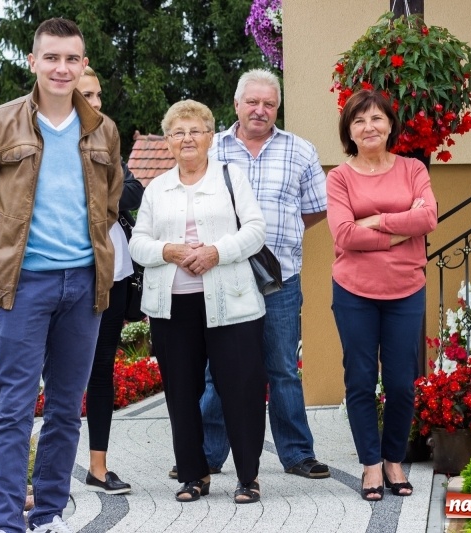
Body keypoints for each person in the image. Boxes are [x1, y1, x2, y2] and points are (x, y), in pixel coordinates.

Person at [0, 18, 123, 533]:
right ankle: (6, 523)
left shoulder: (104, 130)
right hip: (22, 287)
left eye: (72, 58)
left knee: (65, 410)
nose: (61, 68)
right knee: (12, 412)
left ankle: (48, 516)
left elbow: (111, 202)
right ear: (33, 61)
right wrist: (2, 252)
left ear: (84, 64)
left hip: (85, 286)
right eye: (51, 57)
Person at [129, 99, 268, 504]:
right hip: (174, 306)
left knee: (240, 389)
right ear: (168, 142)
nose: (187, 138)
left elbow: (256, 230)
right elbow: (138, 243)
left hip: (232, 303)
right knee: (181, 392)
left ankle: (248, 476)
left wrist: (216, 252)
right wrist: (168, 250)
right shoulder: (157, 188)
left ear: (211, 136)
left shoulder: (232, 177)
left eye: (195, 130)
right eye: (178, 132)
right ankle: (193, 475)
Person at [198, 68, 330, 480]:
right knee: (218, 369)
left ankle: (296, 454)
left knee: (283, 368)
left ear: (277, 107)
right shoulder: (211, 148)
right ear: (236, 105)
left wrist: (281, 237)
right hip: (223, 276)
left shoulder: (300, 151)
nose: (260, 110)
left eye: (269, 104)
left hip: (281, 278)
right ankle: (206, 455)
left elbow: (316, 208)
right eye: (252, 102)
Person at [326, 90, 438, 501]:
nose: (368, 127)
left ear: (391, 124)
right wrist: (400, 232)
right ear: (349, 131)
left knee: (401, 384)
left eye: (376, 119)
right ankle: (371, 466)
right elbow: (343, 234)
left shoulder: (412, 168)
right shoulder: (339, 177)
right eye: (359, 121)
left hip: (406, 290)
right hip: (355, 291)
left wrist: (375, 220)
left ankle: (394, 460)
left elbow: (429, 217)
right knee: (359, 379)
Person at [77, 66, 144, 495]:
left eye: (98, 94)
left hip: (116, 273)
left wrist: (105, 185)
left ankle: (98, 468)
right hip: (71, 272)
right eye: (89, 95)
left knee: (102, 369)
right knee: (61, 373)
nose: (97, 103)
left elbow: (136, 193)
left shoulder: (108, 141)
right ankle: (43, 470)